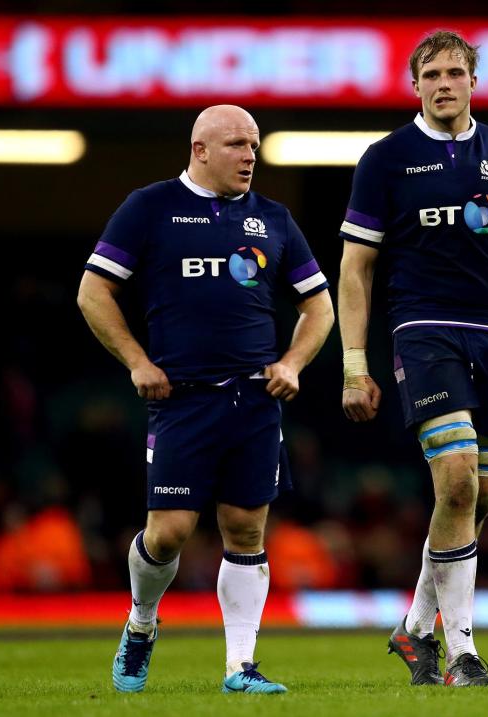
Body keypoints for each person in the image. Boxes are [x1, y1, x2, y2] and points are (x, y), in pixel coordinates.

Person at [77, 105, 334, 694]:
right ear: (200, 150)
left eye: (255, 144)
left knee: (246, 529)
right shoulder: (150, 207)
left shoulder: (273, 218)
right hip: (182, 400)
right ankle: (142, 622)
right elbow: (93, 291)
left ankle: (239, 668)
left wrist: (292, 363)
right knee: (168, 532)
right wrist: (138, 361)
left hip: (253, 401)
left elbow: (318, 307)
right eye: (238, 144)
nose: (250, 156)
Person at [338, 31, 488, 686]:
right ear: (414, 85)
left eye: (455, 72)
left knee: (476, 499)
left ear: (473, 81)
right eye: (431, 73)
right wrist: (354, 360)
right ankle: (461, 650)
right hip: (424, 330)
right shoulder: (386, 159)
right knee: (457, 479)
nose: (443, 83)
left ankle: (412, 630)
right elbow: (356, 267)